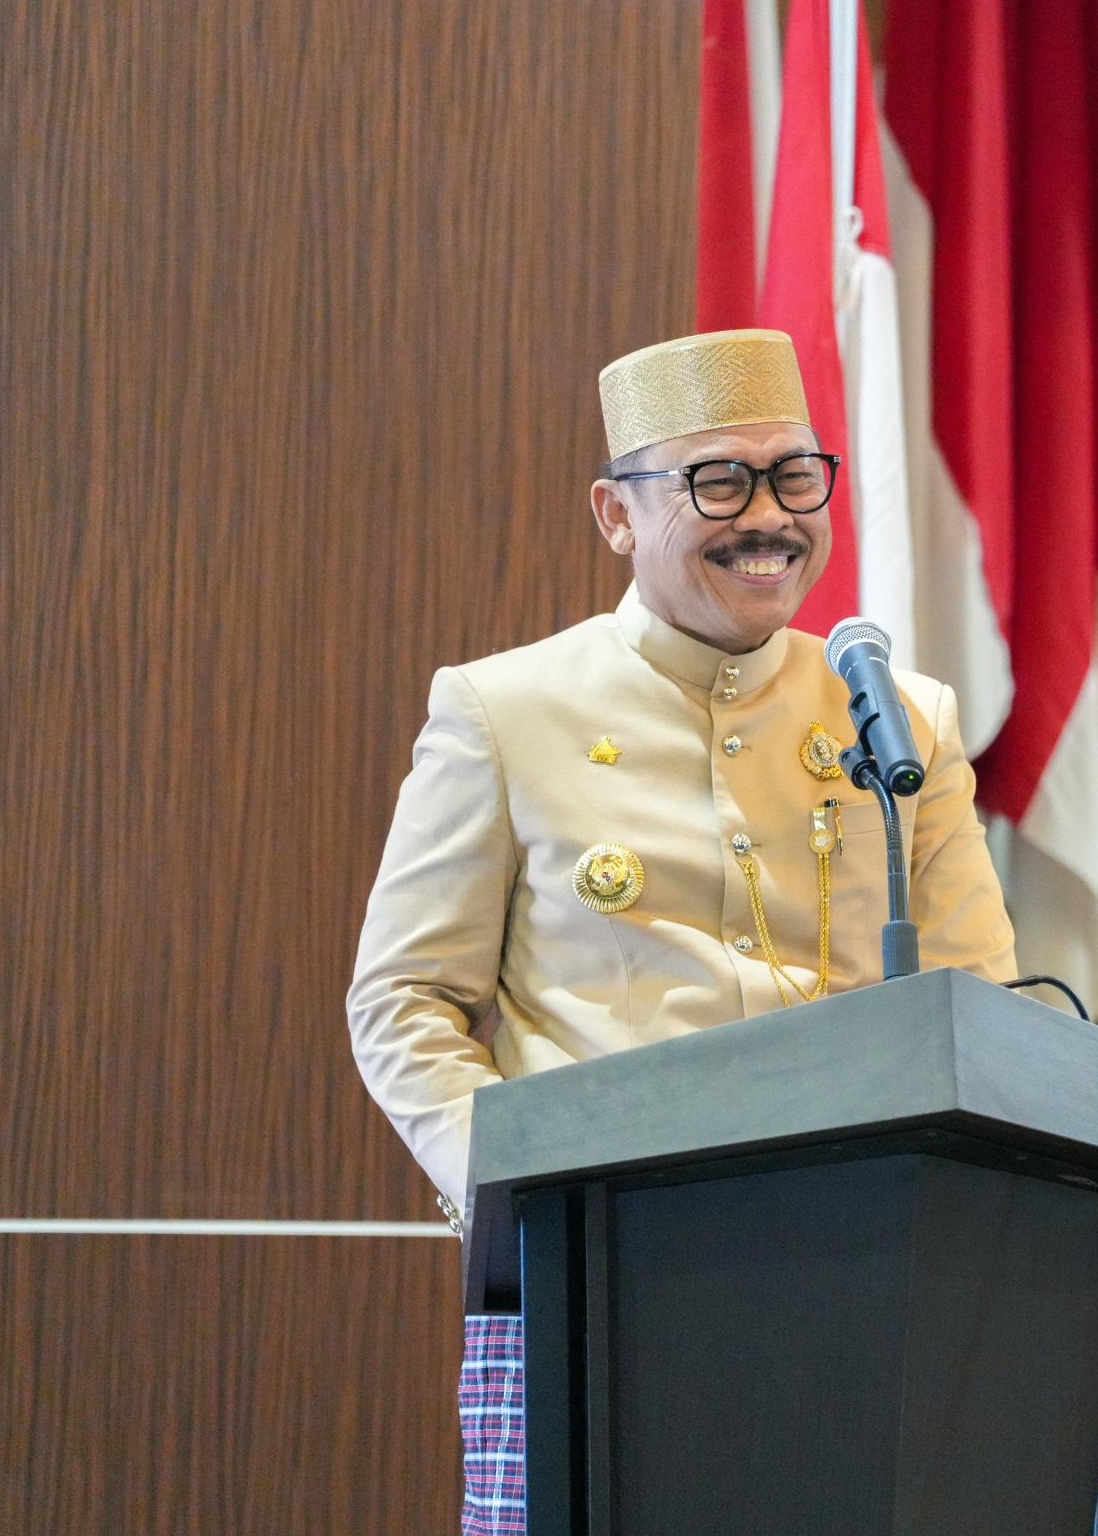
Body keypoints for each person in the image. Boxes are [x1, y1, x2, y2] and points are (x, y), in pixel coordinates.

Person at [346, 328, 1017, 1536]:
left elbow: (984, 1008)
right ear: (616, 513)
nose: (768, 518)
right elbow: (403, 1001)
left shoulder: (899, 720)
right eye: (718, 482)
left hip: (870, 1270)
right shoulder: (504, 710)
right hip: (599, 1275)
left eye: (794, 476)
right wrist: (520, 1192)